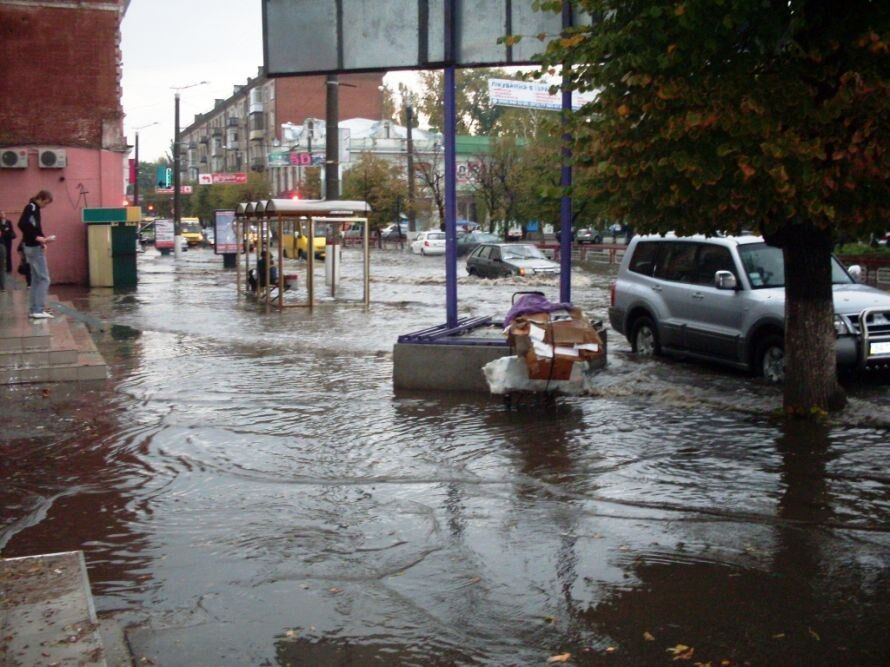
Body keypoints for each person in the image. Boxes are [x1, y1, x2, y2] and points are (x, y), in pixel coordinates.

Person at [17, 190, 54, 318]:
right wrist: (38, 239)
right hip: (33, 248)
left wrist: (43, 240)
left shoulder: (34, 208)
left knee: (36, 279)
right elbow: (22, 224)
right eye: (45, 203)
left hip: (31, 246)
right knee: (44, 279)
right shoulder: (31, 207)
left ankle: (34, 309)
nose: (45, 206)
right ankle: (38, 309)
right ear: (40, 198)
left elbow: (36, 228)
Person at [0, 210, 15, 291]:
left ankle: (9, 269)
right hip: (2, 242)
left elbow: (11, 231)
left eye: (3, 213)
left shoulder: (8, 222)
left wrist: (7, 231)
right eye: (1, 214)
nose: (2, 215)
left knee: (7, 255)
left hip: (7, 241)